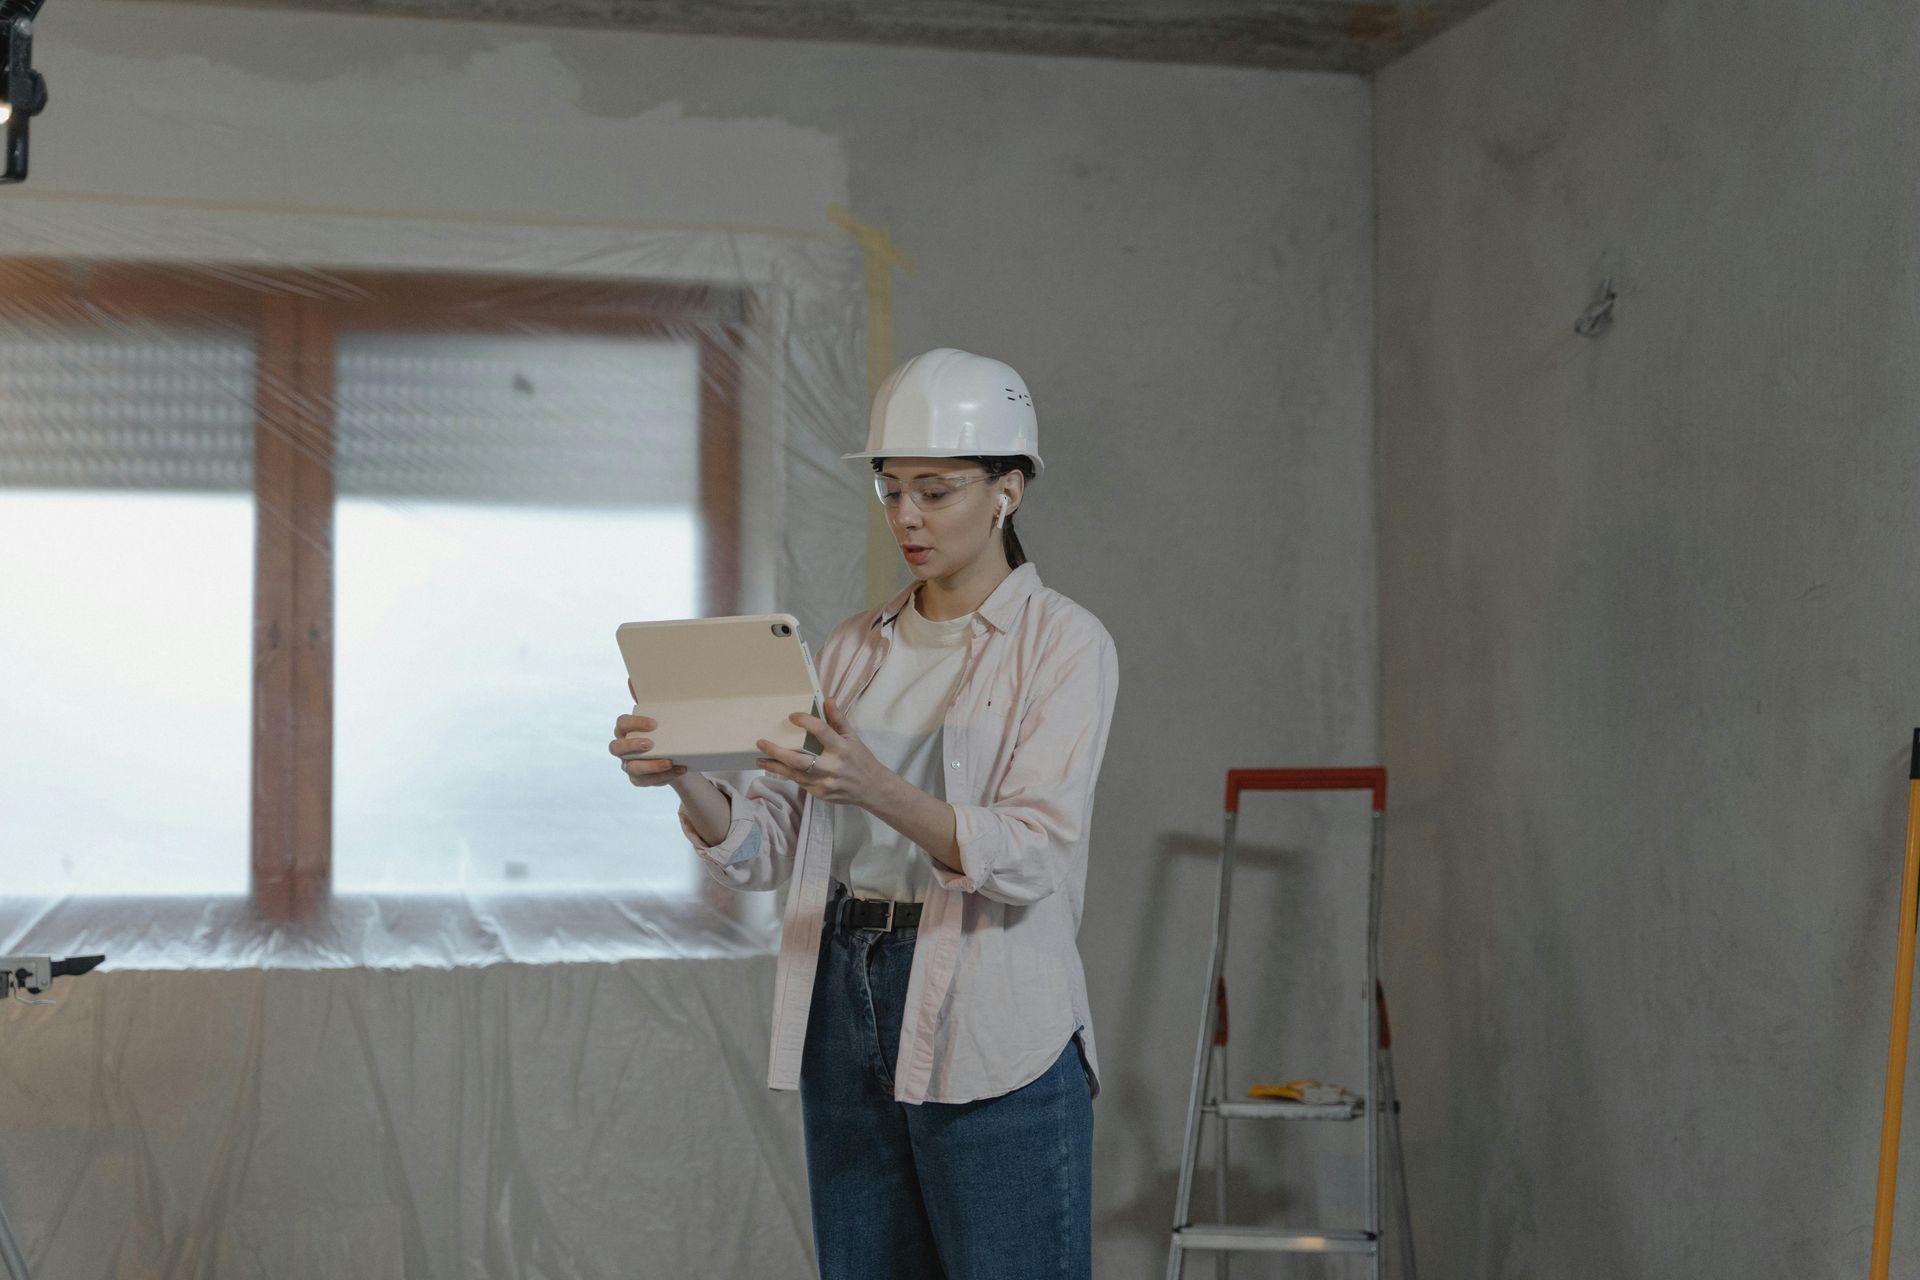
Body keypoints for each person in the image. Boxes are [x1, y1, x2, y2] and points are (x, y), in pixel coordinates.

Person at [609, 348, 1119, 1280]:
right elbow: (768, 848)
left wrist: (875, 786)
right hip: (843, 994)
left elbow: (1033, 855)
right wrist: (681, 775)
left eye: (936, 490)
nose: (907, 518)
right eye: (890, 490)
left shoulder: (1066, 645)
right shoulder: (850, 648)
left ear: (1008, 489)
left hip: (991, 1001)